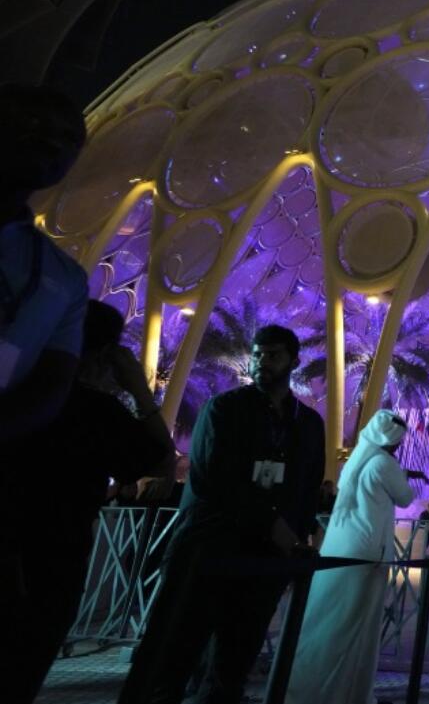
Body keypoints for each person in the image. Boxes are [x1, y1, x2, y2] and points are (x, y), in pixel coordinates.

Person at [118, 325, 325, 704]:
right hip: (208, 548)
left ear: (294, 361)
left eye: (273, 355)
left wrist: (298, 534)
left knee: (234, 661)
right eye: (258, 354)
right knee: (172, 652)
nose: (263, 362)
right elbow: (214, 478)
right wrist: (272, 524)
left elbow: (309, 486)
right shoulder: (225, 409)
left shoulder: (308, 424)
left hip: (264, 560)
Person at [4, 300, 174, 703]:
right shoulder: (93, 411)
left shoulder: (15, 387)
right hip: (50, 563)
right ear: (104, 355)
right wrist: (137, 386)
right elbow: (161, 459)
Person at [286, 411, 426, 704]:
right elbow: (405, 497)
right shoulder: (384, 463)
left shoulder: (357, 462)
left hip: (343, 548)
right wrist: (403, 473)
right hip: (367, 555)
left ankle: (308, 686)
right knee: (356, 627)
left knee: (330, 619)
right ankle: (345, 693)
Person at [0, 84, 89, 441]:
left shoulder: (63, 277)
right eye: (35, 123)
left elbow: (51, 386)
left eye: (69, 138)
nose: (52, 144)